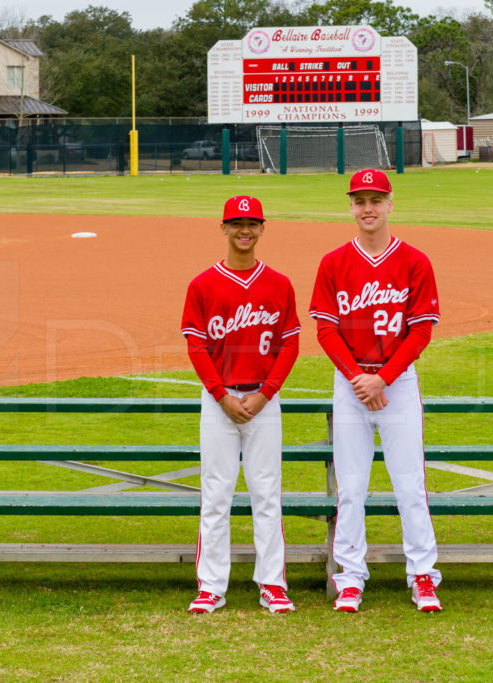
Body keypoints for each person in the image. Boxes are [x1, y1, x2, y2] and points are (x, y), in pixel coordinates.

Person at [309, 169, 443, 613]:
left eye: (376, 199)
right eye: (360, 200)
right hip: (351, 385)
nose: (368, 208)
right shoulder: (333, 263)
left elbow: (420, 332)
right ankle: (350, 577)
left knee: (410, 485)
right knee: (351, 487)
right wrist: (359, 380)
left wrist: (382, 378)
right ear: (350, 206)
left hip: (397, 385)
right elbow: (326, 332)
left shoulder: (416, 261)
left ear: (390, 204)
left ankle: (422, 576)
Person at [180, 195, 300, 614]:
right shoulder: (202, 285)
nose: (244, 230)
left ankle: (272, 583)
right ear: (224, 228)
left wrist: (265, 393)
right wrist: (221, 395)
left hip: (264, 402)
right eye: (236, 223)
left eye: (252, 223)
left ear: (262, 228)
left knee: (267, 494)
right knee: (217, 495)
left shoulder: (279, 284)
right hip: (220, 402)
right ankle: (211, 586)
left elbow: (290, 345)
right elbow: (196, 348)